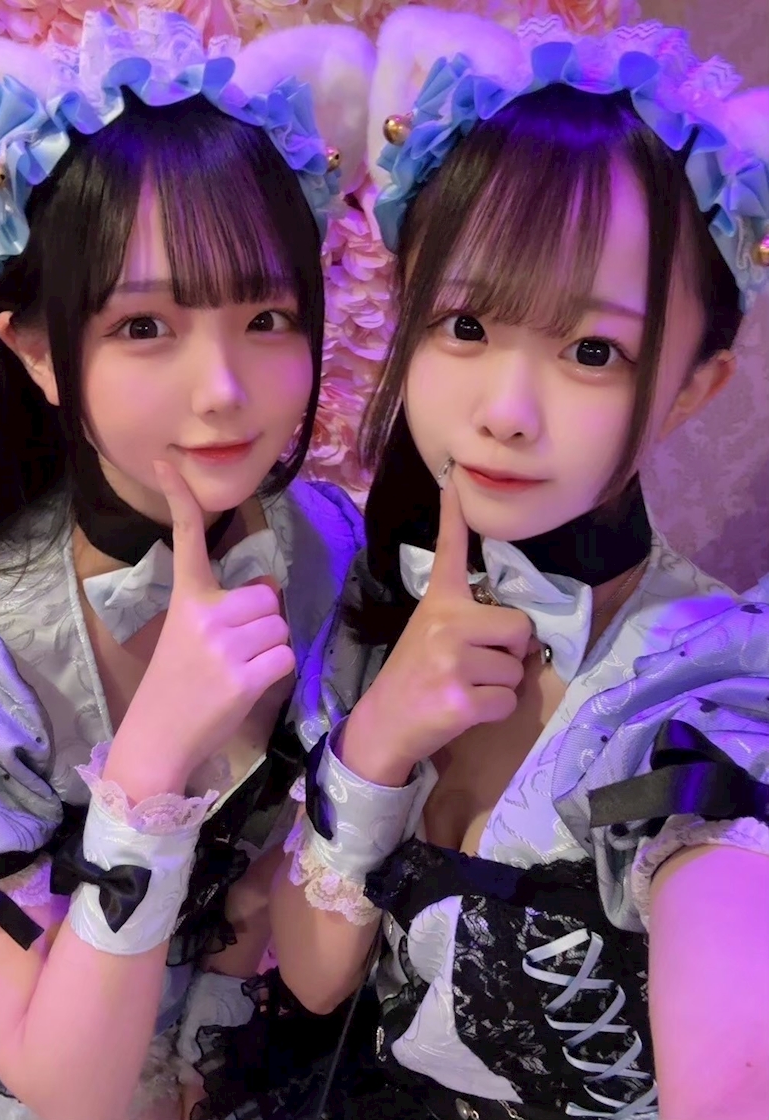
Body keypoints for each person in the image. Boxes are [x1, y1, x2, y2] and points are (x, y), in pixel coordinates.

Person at [259, 10, 769, 1120]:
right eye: (465, 325)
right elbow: (312, 977)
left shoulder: (708, 690)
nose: (505, 411)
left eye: (592, 350)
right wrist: (381, 737)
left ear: (693, 387)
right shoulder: (369, 608)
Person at [0, 10, 372, 1120]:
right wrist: (152, 758)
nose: (224, 389)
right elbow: (69, 1088)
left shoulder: (327, 542)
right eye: (144, 326)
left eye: (267, 316)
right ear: (37, 351)